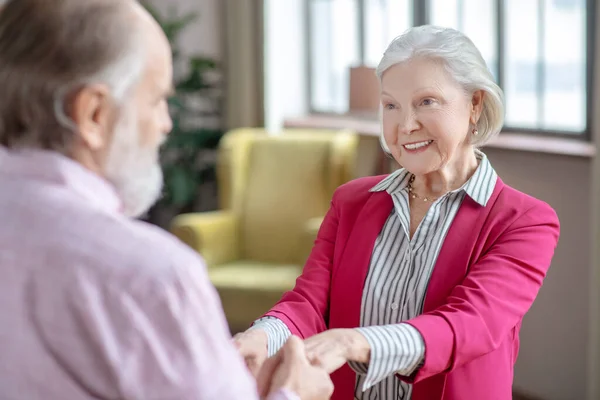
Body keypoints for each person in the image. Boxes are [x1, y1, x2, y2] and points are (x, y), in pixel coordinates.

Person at [0, 0, 333, 399]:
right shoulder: (149, 276)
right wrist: (293, 393)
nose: (166, 124)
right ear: (93, 114)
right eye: (157, 99)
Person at [234, 25, 560, 400]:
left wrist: (355, 342)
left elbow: (469, 324)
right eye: (391, 105)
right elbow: (308, 303)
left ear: (475, 105)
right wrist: (261, 336)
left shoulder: (525, 221)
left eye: (427, 102)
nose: (405, 126)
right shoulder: (350, 202)